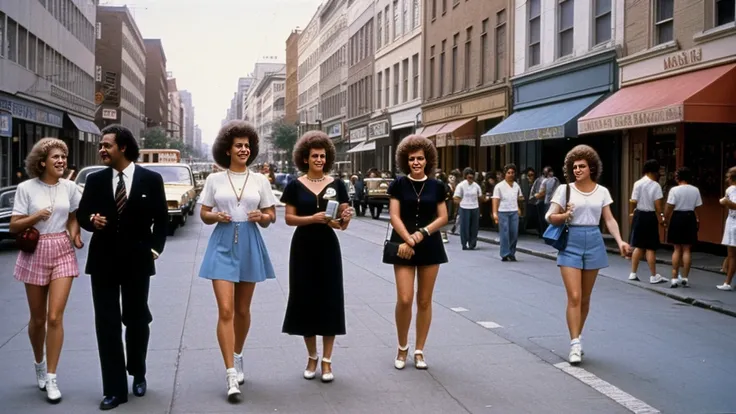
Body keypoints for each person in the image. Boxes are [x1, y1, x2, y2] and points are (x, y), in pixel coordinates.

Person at [76, 124, 168, 410]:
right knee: (107, 324)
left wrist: (154, 249)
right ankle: (114, 388)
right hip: (103, 262)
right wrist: (91, 220)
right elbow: (81, 214)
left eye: (107, 145)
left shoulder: (150, 180)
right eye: (101, 146)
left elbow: (162, 220)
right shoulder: (95, 180)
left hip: (137, 262)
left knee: (137, 319)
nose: (102, 150)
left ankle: (138, 371)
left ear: (123, 147)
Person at [198, 121, 277, 401]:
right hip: (222, 242)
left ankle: (238, 353)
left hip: (250, 242)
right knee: (227, 310)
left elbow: (271, 217)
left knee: (243, 310)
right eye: (238, 145)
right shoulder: (214, 180)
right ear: (227, 149)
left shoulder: (260, 180)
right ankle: (231, 373)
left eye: (247, 145)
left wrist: (262, 217)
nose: (243, 149)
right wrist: (216, 216)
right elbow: (204, 214)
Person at [10, 138, 84, 404]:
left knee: (55, 317)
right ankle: (39, 363)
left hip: (62, 250)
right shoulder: (26, 188)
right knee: (38, 319)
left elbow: (75, 216)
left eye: (63, 156)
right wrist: (36, 216)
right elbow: (14, 225)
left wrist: (74, 236)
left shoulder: (71, 187)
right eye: (55, 157)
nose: (61, 161)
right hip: (35, 251)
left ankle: (52, 377)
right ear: (42, 162)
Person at [546, 145, 630, 365]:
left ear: (591, 168)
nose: (577, 170)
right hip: (571, 241)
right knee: (574, 296)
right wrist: (565, 214)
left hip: (594, 240)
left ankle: (578, 335)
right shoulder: (564, 190)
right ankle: (575, 344)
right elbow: (549, 217)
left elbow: (609, 219)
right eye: (574, 166)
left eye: (582, 166)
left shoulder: (602, 191)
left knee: (585, 298)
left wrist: (620, 241)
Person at [281, 131, 352, 383]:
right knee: (305, 300)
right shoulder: (294, 185)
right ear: (305, 158)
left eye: (323, 156)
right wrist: (312, 219)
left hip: (328, 248)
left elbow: (340, 224)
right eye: (315, 156)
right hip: (302, 248)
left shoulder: (337, 185)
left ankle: (327, 361)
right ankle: (312, 356)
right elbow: (289, 218)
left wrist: (345, 218)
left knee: (329, 300)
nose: (319, 159)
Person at [383, 135, 448, 370]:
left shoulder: (437, 186)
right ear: (405, 161)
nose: (416, 162)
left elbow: (443, 217)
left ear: (427, 160)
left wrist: (422, 233)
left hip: (430, 245)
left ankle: (419, 350)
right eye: (412, 159)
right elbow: (394, 215)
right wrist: (408, 238)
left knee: (424, 300)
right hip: (402, 245)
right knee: (405, 298)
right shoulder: (398, 184)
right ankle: (402, 347)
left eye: (420, 158)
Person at [628, 160, 667, 284]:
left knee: (638, 246)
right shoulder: (656, 186)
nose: (660, 174)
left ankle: (633, 273)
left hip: (638, 214)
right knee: (650, 247)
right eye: (658, 171)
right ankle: (653, 275)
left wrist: (631, 214)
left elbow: (633, 201)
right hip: (650, 216)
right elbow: (658, 206)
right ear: (653, 171)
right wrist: (662, 218)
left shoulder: (637, 183)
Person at [664, 167, 702, 288]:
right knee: (687, 249)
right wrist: (697, 219)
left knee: (676, 248)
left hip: (677, 216)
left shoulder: (674, 190)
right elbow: (697, 207)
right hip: (690, 216)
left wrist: (665, 218)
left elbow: (669, 206)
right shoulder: (695, 190)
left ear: (678, 178)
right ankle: (685, 277)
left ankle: (674, 278)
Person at [492, 164, 524, 261]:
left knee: (514, 233)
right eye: (508, 173)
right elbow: (495, 200)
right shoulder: (499, 186)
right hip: (503, 212)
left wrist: (519, 208)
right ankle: (505, 253)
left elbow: (518, 198)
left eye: (512, 173)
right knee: (505, 234)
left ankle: (512, 252)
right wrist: (495, 213)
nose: (511, 175)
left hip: (513, 211)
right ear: (505, 174)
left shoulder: (516, 186)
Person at [453, 167, 483, 250]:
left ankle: (472, 243)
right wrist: (461, 202)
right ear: (465, 176)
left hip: (475, 207)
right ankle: (464, 243)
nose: (471, 179)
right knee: (464, 227)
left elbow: (480, 197)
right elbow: (455, 197)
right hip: (464, 207)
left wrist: (481, 199)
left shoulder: (476, 186)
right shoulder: (461, 185)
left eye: (472, 177)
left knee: (474, 227)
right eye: (469, 177)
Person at [719, 166, 736, 291]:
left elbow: (734, 206)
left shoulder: (732, 189)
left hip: (734, 223)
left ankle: (728, 282)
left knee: (732, 255)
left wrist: (725, 201)